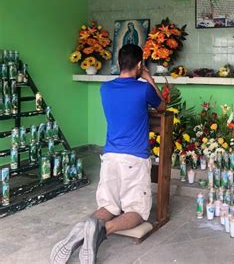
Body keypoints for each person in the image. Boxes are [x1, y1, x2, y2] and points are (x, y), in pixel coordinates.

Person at [50, 44, 166, 264]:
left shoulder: (105, 89)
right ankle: (103, 230)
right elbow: (162, 107)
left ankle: (83, 229)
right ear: (140, 65)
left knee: (108, 207)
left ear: (119, 64)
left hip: (110, 157)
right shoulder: (143, 89)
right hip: (134, 159)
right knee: (137, 211)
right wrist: (149, 79)